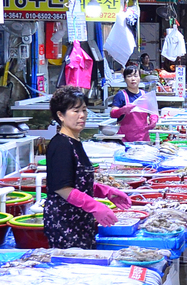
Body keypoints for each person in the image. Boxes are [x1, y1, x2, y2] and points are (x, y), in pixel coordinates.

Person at [44, 87, 129, 247]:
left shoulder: (74, 142)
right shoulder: (61, 145)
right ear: (60, 115)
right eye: (75, 111)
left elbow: (76, 180)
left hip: (80, 219)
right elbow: (62, 188)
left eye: (84, 110)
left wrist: (105, 191)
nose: (82, 115)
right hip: (65, 222)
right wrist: (94, 205)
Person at [108, 65, 159, 143]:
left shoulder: (145, 95)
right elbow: (112, 113)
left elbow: (153, 112)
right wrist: (122, 110)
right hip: (124, 139)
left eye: (135, 76)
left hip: (143, 138)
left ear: (139, 78)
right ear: (125, 79)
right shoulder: (121, 95)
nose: (133, 79)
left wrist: (154, 119)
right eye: (129, 76)